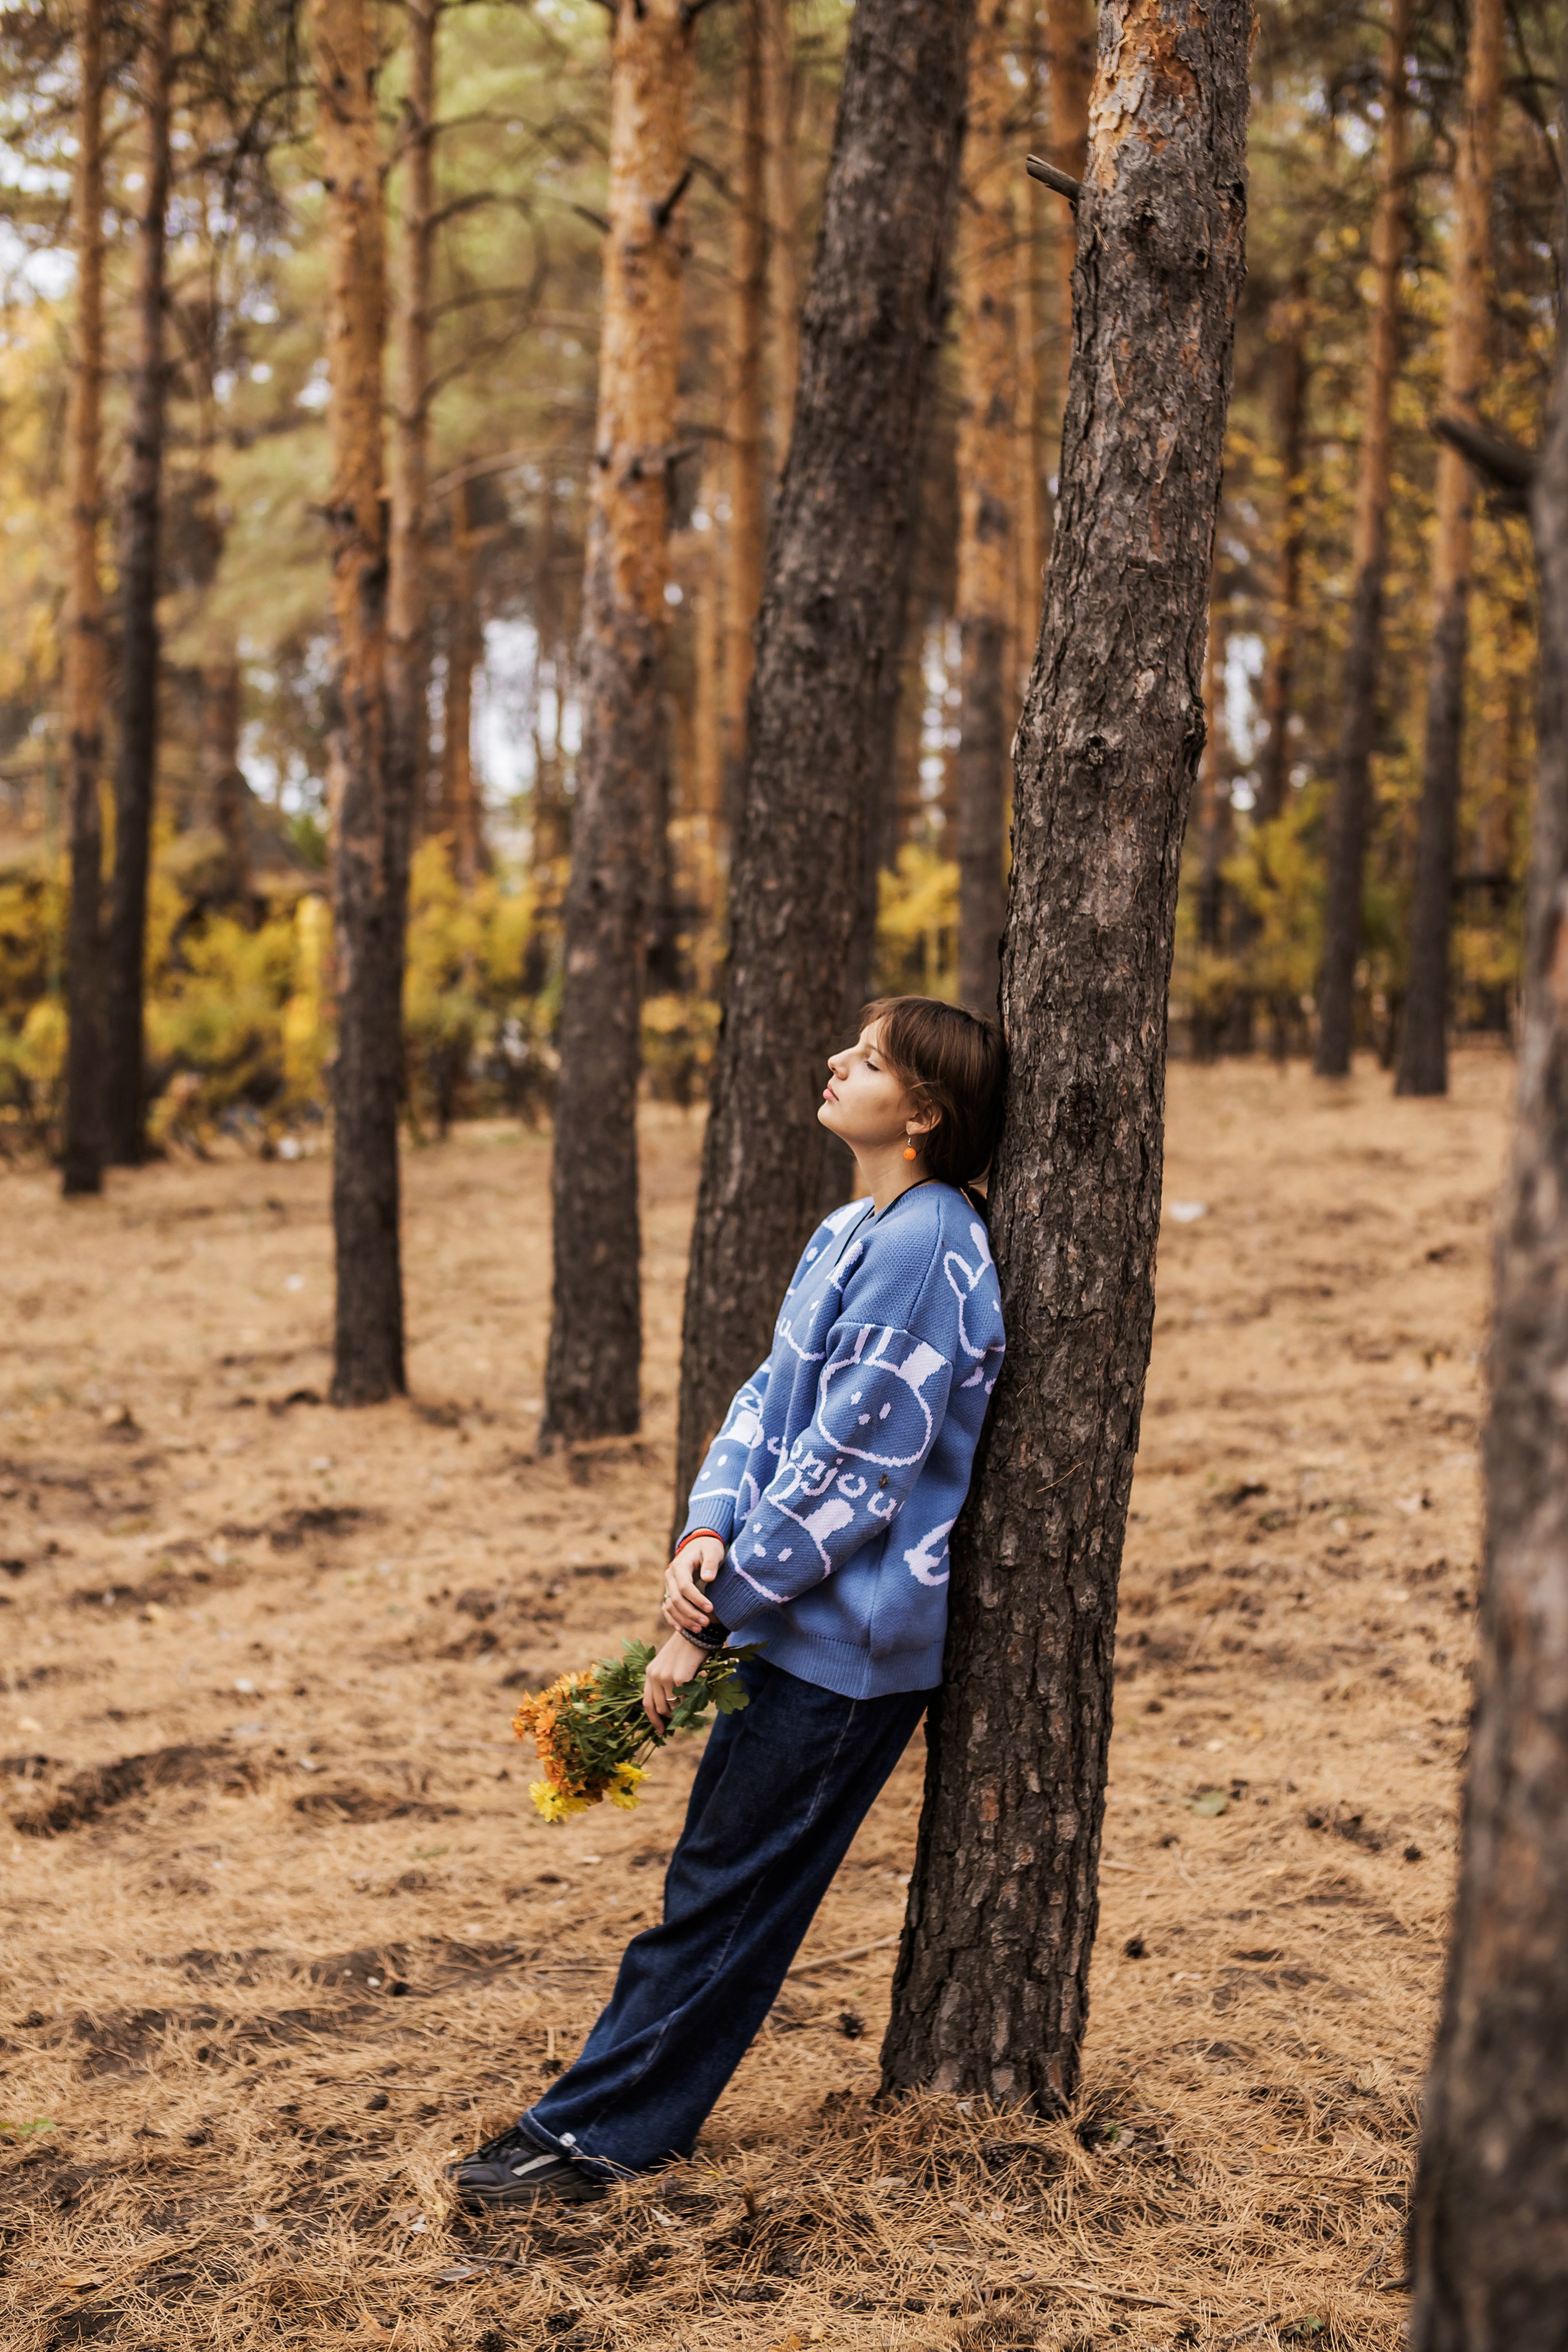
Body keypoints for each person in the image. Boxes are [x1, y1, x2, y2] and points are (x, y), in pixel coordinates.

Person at [451, 995, 1006, 2208]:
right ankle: (595, 2121)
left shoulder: (924, 1250)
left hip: (844, 1649)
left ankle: (599, 2139)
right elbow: (768, 1405)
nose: (834, 1065)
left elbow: (853, 1476)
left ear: (919, 1111)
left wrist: (703, 1625)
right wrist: (706, 1527)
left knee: (724, 1901)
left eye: (864, 1062)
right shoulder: (847, 1229)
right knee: (713, 1885)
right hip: (786, 1623)